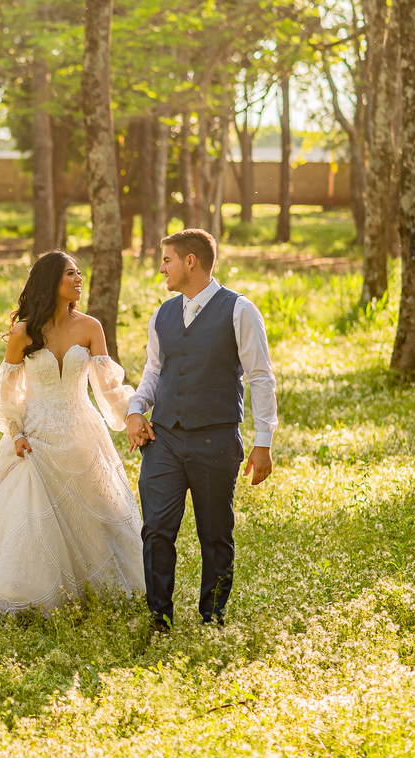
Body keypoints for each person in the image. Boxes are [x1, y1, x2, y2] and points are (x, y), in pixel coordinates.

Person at [0, 251, 145, 615]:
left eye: (79, 273)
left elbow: (108, 387)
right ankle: (28, 594)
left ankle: (99, 588)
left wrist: (133, 416)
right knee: (32, 514)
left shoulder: (91, 327)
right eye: (70, 274)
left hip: (82, 431)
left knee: (97, 509)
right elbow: (6, 395)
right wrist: (15, 434)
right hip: (37, 435)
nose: (79, 279)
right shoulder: (24, 331)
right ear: (50, 282)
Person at [125, 229, 277, 633]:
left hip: (216, 438)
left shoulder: (240, 310)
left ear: (190, 261)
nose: (162, 269)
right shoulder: (163, 313)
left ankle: (213, 616)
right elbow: (154, 371)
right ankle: (159, 615)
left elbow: (260, 378)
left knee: (215, 533)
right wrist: (135, 409)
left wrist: (263, 443)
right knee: (156, 528)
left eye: (167, 260)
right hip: (165, 439)